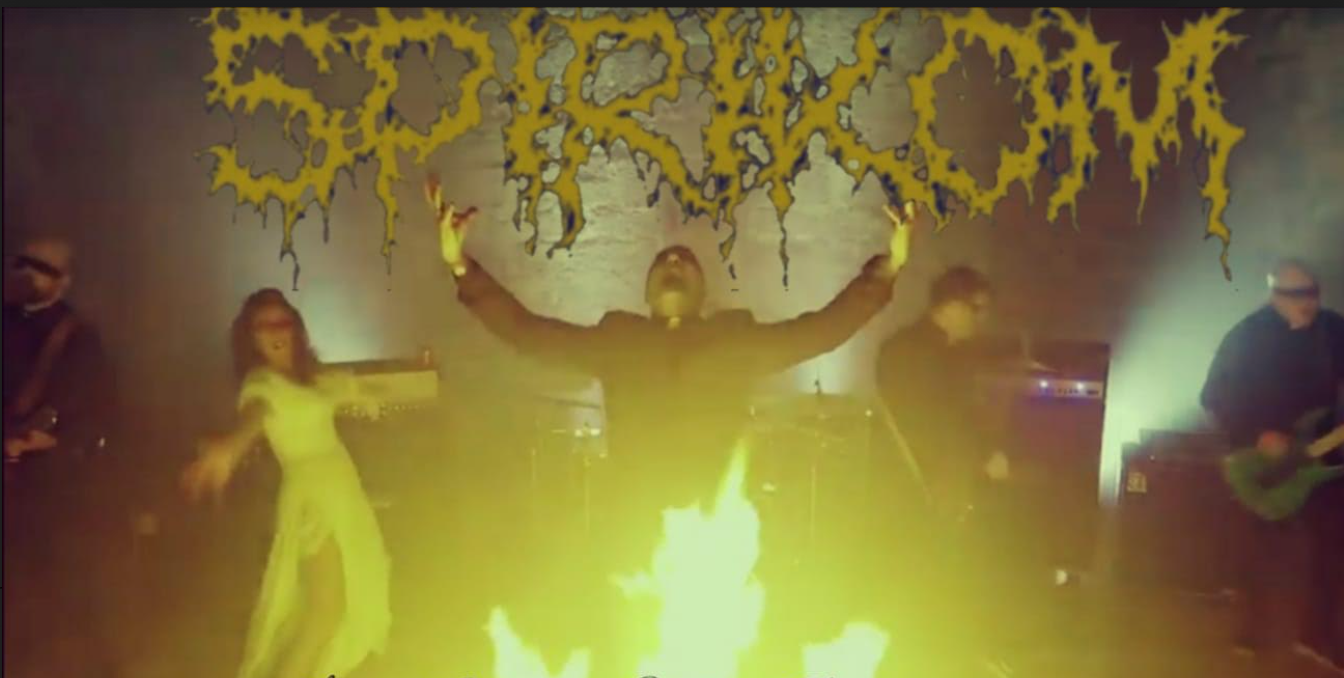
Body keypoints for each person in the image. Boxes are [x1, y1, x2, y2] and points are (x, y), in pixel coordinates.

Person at [427, 178, 915, 566]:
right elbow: (526, 331)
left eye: (685, 261)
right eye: (663, 260)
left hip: (716, 532)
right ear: (646, 292)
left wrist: (888, 267)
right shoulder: (618, 342)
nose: (675, 261)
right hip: (635, 535)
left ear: (703, 291)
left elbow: (822, 330)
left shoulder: (735, 340)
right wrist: (460, 265)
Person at [180, 288, 392, 678]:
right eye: (264, 326)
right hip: (314, 500)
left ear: (295, 327)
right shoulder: (261, 384)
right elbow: (254, 417)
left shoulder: (311, 378)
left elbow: (349, 387)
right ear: (251, 337)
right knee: (324, 611)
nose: (276, 331)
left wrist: (372, 397)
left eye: (282, 321)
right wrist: (230, 449)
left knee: (331, 608)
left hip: (343, 492)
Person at [871, 265, 1017, 672]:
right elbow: (930, 422)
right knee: (922, 579)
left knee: (938, 577)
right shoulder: (911, 353)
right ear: (952, 306)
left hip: (936, 489)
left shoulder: (937, 352)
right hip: (916, 491)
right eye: (977, 309)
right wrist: (981, 456)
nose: (981, 319)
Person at [1201, 259, 1344, 669]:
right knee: (1260, 548)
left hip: (1319, 452)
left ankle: (1317, 636)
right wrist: (1256, 433)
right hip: (1263, 460)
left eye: (1312, 292)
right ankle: (1250, 630)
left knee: (1333, 542)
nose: (1308, 302)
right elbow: (1213, 396)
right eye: (1297, 295)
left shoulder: (1333, 330)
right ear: (1275, 297)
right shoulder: (1246, 336)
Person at [2, 235, 119, 678]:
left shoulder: (79, 338)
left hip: (54, 490)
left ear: (64, 280)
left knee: (63, 594)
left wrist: (55, 442)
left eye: (44, 267)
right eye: (25, 263)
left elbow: (100, 414)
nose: (29, 273)